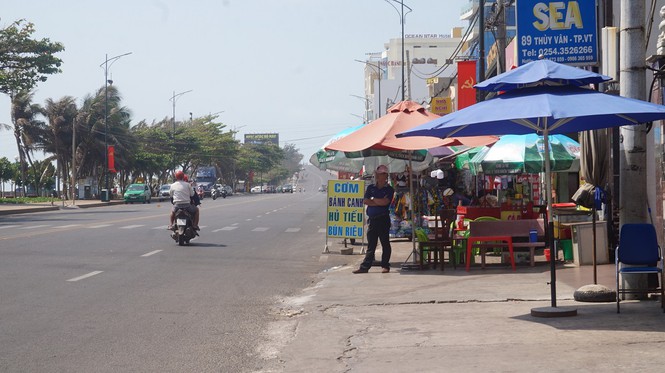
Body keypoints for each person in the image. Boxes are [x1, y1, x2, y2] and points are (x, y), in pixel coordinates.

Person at [353, 165, 395, 274]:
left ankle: (385, 265)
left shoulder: (389, 189)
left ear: (385, 176)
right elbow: (366, 201)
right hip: (372, 220)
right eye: (378, 173)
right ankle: (365, 267)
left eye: (381, 173)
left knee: (385, 243)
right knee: (371, 245)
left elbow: (385, 202)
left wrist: (373, 200)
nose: (378, 175)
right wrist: (377, 201)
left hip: (383, 219)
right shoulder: (371, 188)